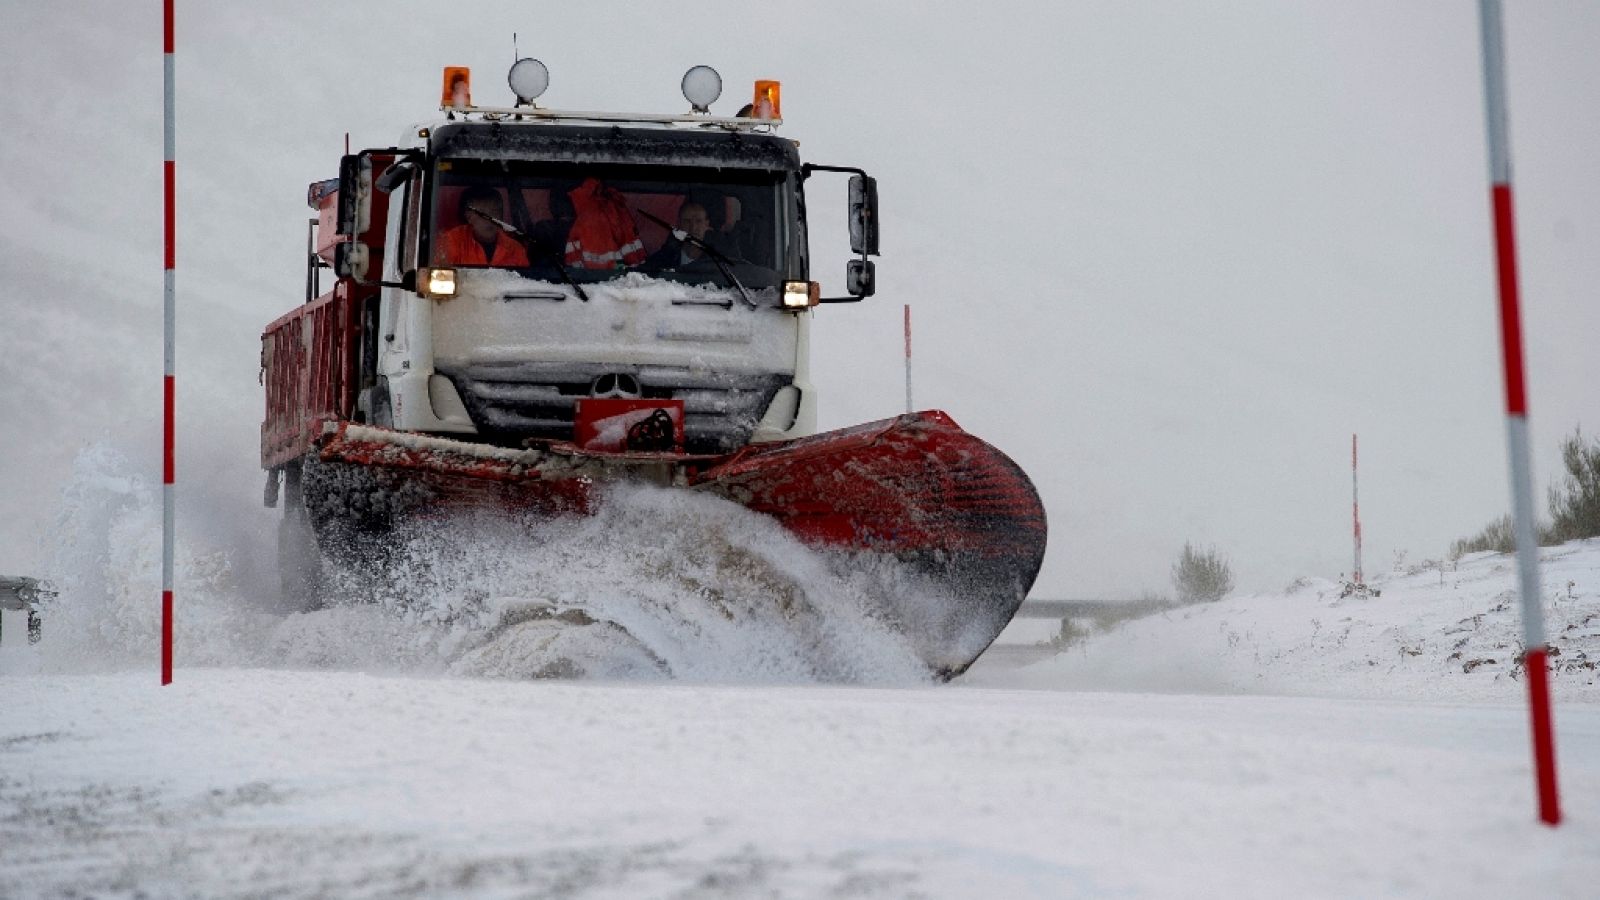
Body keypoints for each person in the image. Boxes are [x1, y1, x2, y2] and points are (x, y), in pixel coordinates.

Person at [436, 186, 531, 267]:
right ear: (468, 217)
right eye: (483, 214)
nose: (490, 219)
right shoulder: (451, 241)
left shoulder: (515, 249)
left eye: (494, 212)